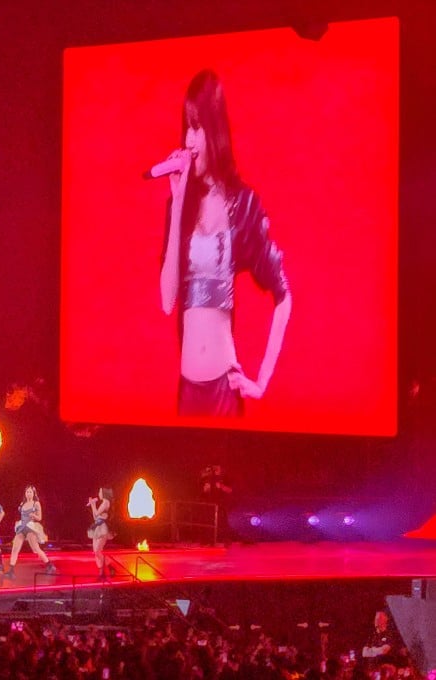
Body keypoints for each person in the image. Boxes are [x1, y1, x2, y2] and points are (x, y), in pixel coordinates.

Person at [159, 69, 292, 417]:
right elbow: (167, 299)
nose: (189, 140)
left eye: (197, 127)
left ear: (215, 132)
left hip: (223, 390)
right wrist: (176, 202)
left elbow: (283, 296)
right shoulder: (182, 205)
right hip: (187, 391)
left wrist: (261, 381)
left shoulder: (243, 204)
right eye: (187, 127)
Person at [5, 485, 55, 578]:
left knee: (35, 548)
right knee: (15, 548)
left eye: (30, 492)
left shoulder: (36, 503)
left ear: (33, 493)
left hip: (31, 527)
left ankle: (49, 564)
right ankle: (11, 570)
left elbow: (40, 518)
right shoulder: (22, 504)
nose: (28, 493)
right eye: (27, 492)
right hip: (22, 527)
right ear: (25, 493)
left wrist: (34, 515)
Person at [200, 464, 233, 544]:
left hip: (222, 503)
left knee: (222, 521)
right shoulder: (209, 478)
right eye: (214, 467)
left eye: (217, 467)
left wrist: (221, 486)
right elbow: (203, 492)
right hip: (210, 502)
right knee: (208, 520)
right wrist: (206, 489)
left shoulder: (225, 477)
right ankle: (208, 539)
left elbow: (230, 490)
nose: (215, 469)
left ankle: (225, 539)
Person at [87, 487, 113, 579]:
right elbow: (95, 517)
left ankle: (110, 565)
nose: (99, 493)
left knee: (98, 551)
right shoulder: (102, 503)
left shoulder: (106, 502)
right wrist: (92, 505)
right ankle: (101, 573)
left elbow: (97, 513)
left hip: (102, 528)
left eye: (100, 492)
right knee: (95, 552)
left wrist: (93, 505)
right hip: (97, 527)